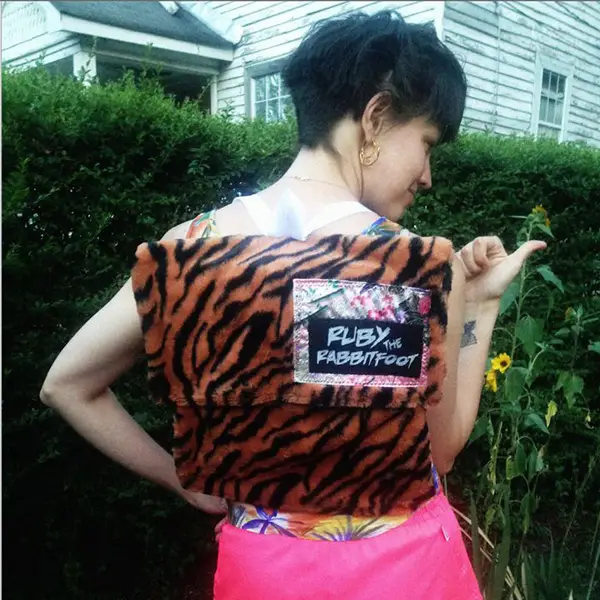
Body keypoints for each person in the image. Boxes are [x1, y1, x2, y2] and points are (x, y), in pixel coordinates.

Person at [41, 10, 546, 599]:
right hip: (408, 571)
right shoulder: (417, 269)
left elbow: (67, 385)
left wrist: (182, 481)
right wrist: (481, 303)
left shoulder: (190, 249)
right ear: (376, 117)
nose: (427, 175)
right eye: (427, 144)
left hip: (264, 575)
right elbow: (444, 450)